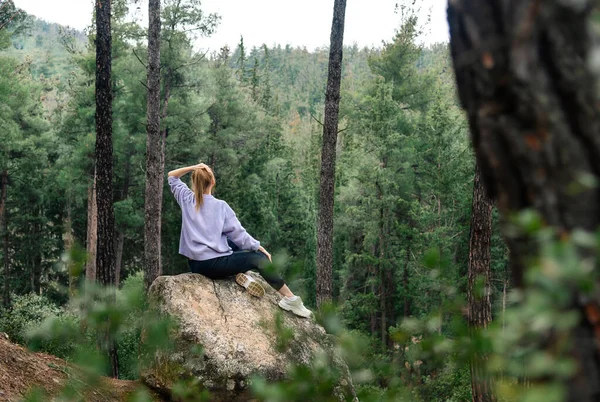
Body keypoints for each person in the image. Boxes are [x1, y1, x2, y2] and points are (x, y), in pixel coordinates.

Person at [167, 163, 312, 318]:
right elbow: (240, 236)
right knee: (259, 259)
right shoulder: (221, 206)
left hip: (196, 264)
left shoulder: (186, 198)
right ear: (213, 182)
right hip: (212, 266)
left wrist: (194, 167)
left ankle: (241, 277)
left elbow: (172, 176)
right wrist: (259, 248)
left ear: (194, 182)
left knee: (231, 244)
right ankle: (290, 299)